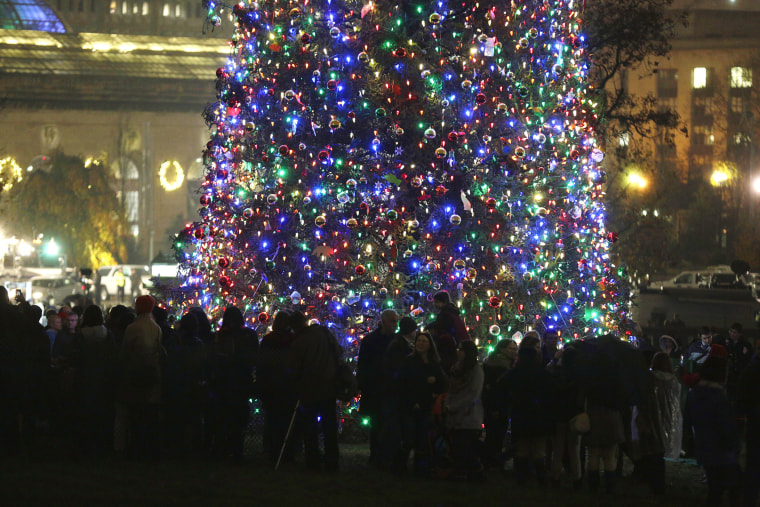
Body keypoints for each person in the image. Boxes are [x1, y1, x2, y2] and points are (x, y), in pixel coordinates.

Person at [288, 311, 342, 471]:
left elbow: (294, 368)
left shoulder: (299, 342)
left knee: (310, 428)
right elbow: (338, 351)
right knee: (329, 427)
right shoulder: (323, 333)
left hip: (309, 389)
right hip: (328, 387)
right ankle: (332, 461)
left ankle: (313, 461)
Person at [498, 334, 554, 486]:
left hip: (520, 414)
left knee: (522, 448)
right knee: (539, 450)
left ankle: (522, 478)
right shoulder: (543, 374)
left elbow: (501, 387)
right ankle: (541, 479)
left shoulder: (515, 374)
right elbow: (550, 394)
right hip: (538, 415)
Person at [685, 356, 740, 506]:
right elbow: (726, 426)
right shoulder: (718, 397)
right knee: (732, 488)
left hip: (704, 447)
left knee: (715, 489)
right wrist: (734, 445)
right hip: (722, 451)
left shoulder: (694, 394)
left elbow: (688, 419)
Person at [208, 306, 258, 464]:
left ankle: (221, 450)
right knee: (238, 418)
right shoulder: (248, 335)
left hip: (223, 383)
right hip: (241, 382)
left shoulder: (219, 336)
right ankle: (236, 451)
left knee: (222, 418)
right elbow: (254, 357)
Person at [69, 304, 118, 456]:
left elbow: (74, 358)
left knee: (84, 414)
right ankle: (102, 445)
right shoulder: (108, 335)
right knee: (102, 413)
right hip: (104, 379)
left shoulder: (80, 335)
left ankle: (84, 446)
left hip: (84, 378)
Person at [118, 295, 163, 459]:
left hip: (135, 373)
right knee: (149, 413)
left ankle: (135, 448)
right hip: (152, 373)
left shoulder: (133, 328)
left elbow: (125, 352)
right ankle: (149, 448)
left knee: (135, 413)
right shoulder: (156, 327)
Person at [632, 352, 682, 495]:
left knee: (649, 450)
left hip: (649, 418)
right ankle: (657, 483)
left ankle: (649, 480)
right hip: (665, 420)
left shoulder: (649, 379)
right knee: (659, 453)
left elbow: (642, 398)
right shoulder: (672, 381)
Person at [400, 331, 448, 477]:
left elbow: (443, 382)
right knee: (409, 438)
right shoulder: (410, 362)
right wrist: (413, 400)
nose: (420, 344)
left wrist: (435, 389)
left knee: (423, 438)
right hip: (412, 404)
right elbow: (406, 384)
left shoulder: (434, 363)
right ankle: (400, 466)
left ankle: (419, 468)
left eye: (424, 341)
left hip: (428, 405)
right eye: (418, 341)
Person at [357, 309, 399, 466]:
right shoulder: (371, 341)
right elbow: (363, 365)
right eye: (393, 321)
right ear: (384, 321)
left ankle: (384, 455)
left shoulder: (395, 340)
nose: (395, 325)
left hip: (388, 388)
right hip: (376, 388)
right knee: (377, 424)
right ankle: (376, 455)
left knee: (386, 423)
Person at [163, 312, 207, 458]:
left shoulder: (173, 342)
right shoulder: (197, 344)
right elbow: (201, 366)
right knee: (193, 419)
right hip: (192, 386)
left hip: (176, 385)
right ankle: (194, 449)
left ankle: (177, 447)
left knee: (177, 419)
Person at [257, 310, 298, 464]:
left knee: (272, 419)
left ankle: (272, 450)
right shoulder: (293, 339)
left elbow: (262, 363)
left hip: (272, 385)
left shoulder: (268, 340)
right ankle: (287, 452)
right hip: (287, 386)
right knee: (286, 420)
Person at [381, 315, 418, 473]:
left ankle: (396, 461)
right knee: (399, 429)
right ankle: (395, 461)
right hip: (397, 393)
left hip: (397, 392)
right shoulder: (399, 346)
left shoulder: (400, 343)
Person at [444, 340, 484, 481]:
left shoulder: (476, 370)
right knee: (457, 446)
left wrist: (454, 406)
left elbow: (473, 393)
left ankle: (472, 473)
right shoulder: (457, 368)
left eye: (461, 349)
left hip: (468, 414)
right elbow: (451, 390)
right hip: (454, 414)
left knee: (466, 446)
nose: (458, 351)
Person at [547, 344, 583, 490]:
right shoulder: (579, 375)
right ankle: (577, 478)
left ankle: (555, 477)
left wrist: (555, 362)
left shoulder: (557, 373)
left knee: (558, 449)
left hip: (559, 414)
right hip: (574, 414)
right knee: (574, 449)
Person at [481, 338, 517, 468]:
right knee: (495, 434)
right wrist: (495, 407)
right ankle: (492, 461)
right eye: (510, 349)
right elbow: (495, 389)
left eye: (515, 349)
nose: (513, 351)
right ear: (502, 349)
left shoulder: (502, 364)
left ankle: (491, 460)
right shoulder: (499, 367)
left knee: (496, 434)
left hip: (500, 404)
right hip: (497, 405)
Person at [739, 336, 760, 507]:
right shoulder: (751, 369)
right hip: (754, 417)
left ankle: (750, 497)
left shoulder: (751, 369)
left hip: (755, 419)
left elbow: (743, 397)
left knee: (753, 461)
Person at [429, 291, 471, 373]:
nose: (434, 304)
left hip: (451, 347)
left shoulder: (445, 314)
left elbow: (441, 327)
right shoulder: (451, 312)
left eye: (437, 302)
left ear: (444, 302)